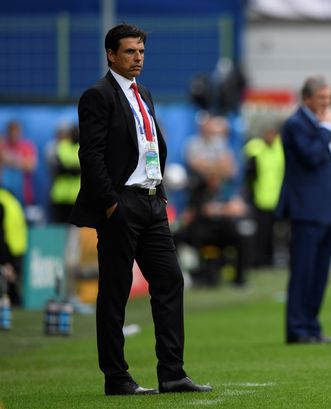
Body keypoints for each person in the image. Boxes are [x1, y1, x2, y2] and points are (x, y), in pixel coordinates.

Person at [69, 23, 211, 396]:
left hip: (152, 201)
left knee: (170, 281)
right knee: (115, 293)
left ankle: (172, 373)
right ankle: (116, 378)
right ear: (111, 55)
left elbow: (148, 144)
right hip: (122, 205)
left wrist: (159, 190)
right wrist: (112, 203)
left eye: (141, 52)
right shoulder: (97, 95)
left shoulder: (142, 92)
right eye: (130, 52)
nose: (137, 58)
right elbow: (90, 154)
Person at [276, 75, 331, 344]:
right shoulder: (296, 124)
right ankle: (297, 329)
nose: (327, 104)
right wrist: (326, 130)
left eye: (329, 98)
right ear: (307, 98)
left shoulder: (314, 123)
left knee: (320, 272)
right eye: (322, 99)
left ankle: (312, 326)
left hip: (327, 208)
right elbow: (311, 157)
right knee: (304, 271)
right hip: (307, 210)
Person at [243, 122, 285, 268]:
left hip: (278, 198)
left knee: (276, 233)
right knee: (261, 232)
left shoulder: (281, 148)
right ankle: (259, 261)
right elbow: (249, 175)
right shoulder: (255, 149)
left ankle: (270, 260)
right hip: (260, 198)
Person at [0, 119, 38, 207]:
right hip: (4, 192)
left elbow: (31, 166)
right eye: (11, 131)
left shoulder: (26, 146)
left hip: (24, 194)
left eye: (16, 131)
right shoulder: (3, 145)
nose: (14, 134)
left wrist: (10, 159)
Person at [48, 123, 81, 223]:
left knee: (74, 229)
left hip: (76, 196)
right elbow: (56, 169)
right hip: (60, 195)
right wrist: (73, 169)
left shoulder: (84, 147)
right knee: (59, 228)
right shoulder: (61, 146)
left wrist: (68, 168)